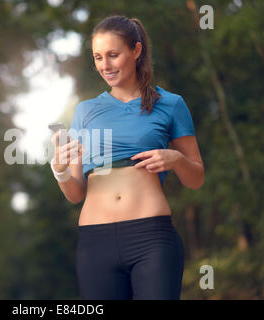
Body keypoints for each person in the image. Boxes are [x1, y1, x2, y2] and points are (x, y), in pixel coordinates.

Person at [50, 15, 204, 300]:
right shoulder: (85, 111)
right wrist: (58, 170)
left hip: (152, 238)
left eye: (113, 55)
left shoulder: (170, 104)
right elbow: (75, 193)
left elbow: (196, 178)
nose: (105, 65)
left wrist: (176, 160)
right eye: (98, 57)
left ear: (136, 50)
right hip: (95, 241)